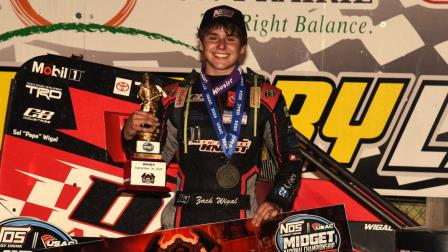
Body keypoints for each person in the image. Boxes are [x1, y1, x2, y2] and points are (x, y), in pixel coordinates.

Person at [122, 5, 302, 228]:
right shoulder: (174, 96)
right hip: (182, 224)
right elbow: (153, 159)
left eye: (231, 38)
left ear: (243, 46)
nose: (222, 46)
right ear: (201, 42)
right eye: (213, 37)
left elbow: (291, 157)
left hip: (242, 224)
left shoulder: (265, 97)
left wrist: (278, 199)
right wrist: (130, 134)